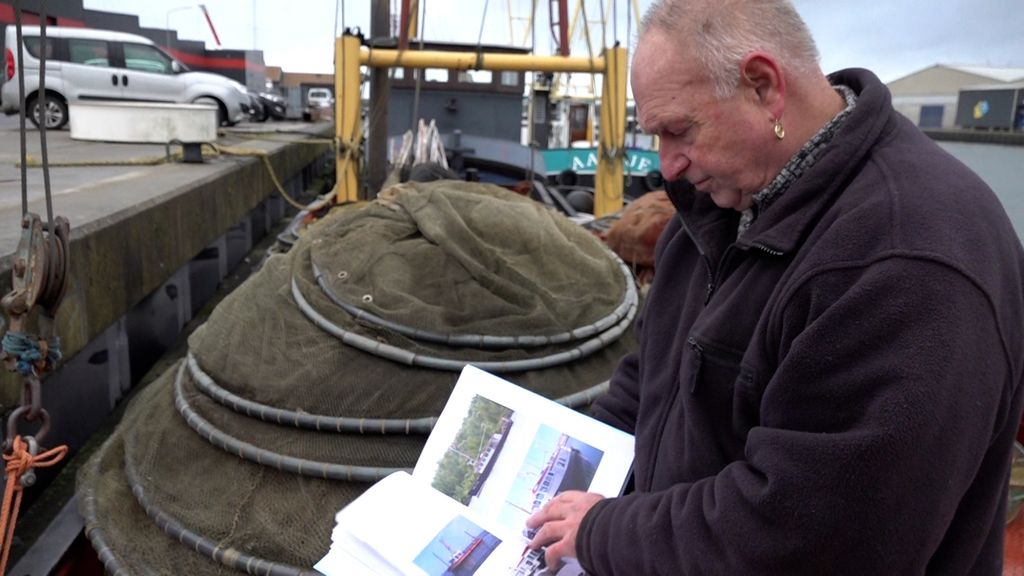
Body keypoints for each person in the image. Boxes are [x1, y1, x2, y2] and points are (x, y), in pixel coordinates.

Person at [526, 0, 1024, 573]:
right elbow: (653, 381)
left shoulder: (906, 261)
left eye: (678, 131)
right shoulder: (717, 207)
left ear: (763, 87)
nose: (667, 167)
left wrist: (604, 533)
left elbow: (810, 534)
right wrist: (561, 454)